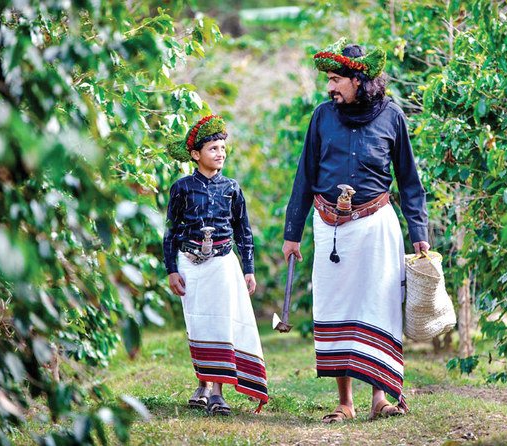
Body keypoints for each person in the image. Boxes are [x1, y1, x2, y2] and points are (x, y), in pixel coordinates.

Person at [282, 38, 430, 422]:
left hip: (376, 226)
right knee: (336, 307)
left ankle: (379, 398)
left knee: (378, 306)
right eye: (329, 79)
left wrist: (420, 232)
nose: (330, 87)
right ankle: (344, 403)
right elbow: (305, 175)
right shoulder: (321, 116)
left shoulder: (392, 116)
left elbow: (409, 181)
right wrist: (292, 233)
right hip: (330, 227)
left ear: (360, 80)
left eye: (336, 79)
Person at [163, 114, 268, 415]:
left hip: (223, 262)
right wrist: (171, 269)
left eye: (222, 147)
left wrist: (248, 269)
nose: (220, 153)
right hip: (190, 263)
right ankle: (203, 382)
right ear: (196, 155)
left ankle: (218, 392)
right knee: (198, 322)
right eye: (213, 148)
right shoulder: (181, 188)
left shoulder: (232, 188)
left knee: (221, 322)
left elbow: (243, 231)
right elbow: (171, 231)